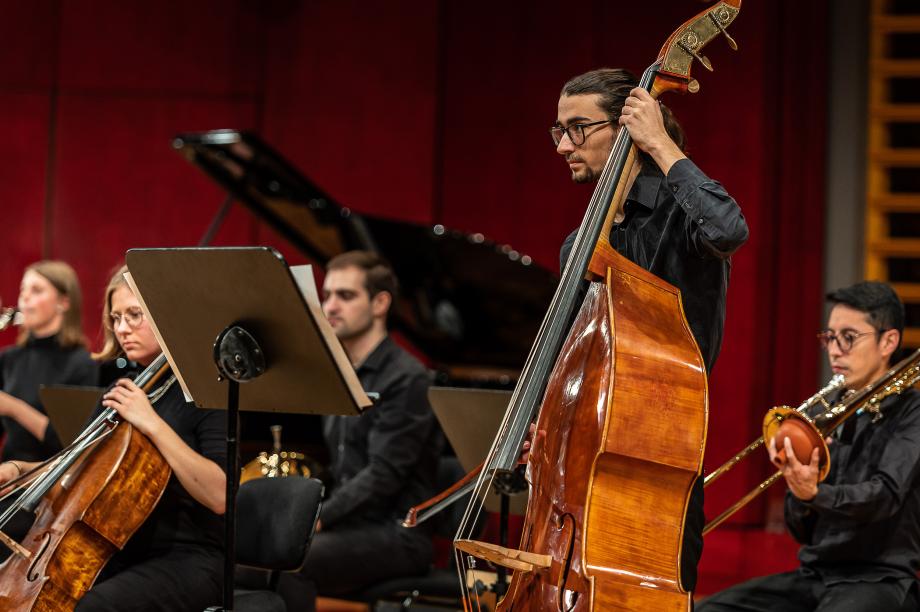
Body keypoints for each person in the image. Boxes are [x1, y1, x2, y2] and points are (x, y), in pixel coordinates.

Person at [552, 68, 749, 591]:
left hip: (660, 453)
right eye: (558, 131)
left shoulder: (681, 214)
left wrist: (659, 142)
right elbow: (573, 356)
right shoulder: (580, 246)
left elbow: (728, 229)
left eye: (577, 128)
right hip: (588, 456)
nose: (562, 146)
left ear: (626, 128)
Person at [0, 265, 228, 611]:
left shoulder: (207, 394)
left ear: (167, 314)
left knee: (95, 607)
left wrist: (150, 421)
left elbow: (220, 495)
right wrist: (19, 471)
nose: (122, 329)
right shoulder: (122, 390)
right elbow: (75, 465)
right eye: (116, 317)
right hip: (119, 547)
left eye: (134, 315)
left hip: (187, 556)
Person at [697, 281, 920, 612]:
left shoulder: (911, 411)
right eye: (830, 337)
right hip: (815, 575)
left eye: (848, 338)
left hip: (879, 579)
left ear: (888, 341)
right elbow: (801, 530)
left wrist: (816, 494)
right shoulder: (823, 409)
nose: (834, 349)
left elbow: (884, 496)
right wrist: (798, 487)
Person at [273, 251, 442, 612]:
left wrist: (318, 517)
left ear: (380, 302)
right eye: (327, 295)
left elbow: (384, 475)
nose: (330, 306)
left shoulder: (406, 377)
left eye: (345, 296)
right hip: (351, 527)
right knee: (258, 552)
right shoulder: (339, 373)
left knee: (283, 562)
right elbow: (340, 467)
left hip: (397, 533)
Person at [0, 260, 97, 464]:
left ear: (64, 302)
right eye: (23, 289)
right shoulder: (9, 358)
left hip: (51, 482)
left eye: (36, 290)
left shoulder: (82, 363)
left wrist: (14, 408)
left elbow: (73, 443)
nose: (24, 297)